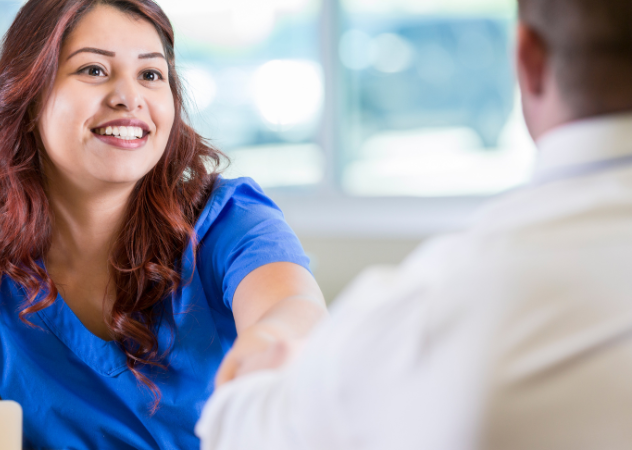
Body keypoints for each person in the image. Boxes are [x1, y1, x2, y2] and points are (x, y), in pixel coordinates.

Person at [196, 0, 632, 449]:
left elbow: (243, 429)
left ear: (527, 60)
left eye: (151, 74)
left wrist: (280, 365)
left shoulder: (439, 307)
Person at [0, 1, 328, 449]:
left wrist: (274, 338)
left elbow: (294, 304)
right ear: (29, 96)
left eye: (150, 74)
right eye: (94, 70)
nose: (129, 97)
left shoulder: (228, 218)